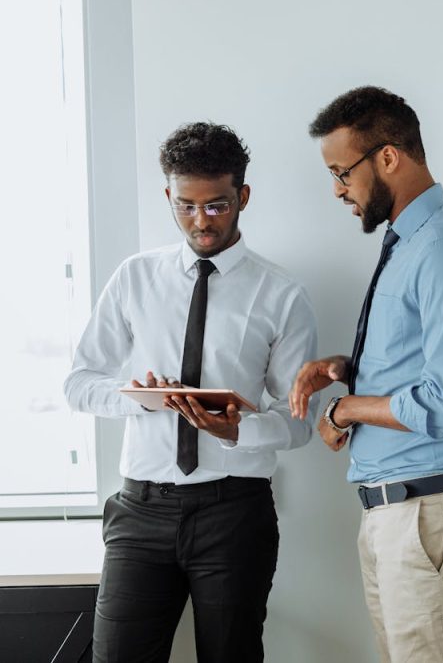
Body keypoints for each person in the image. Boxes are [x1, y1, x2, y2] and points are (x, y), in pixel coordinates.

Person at [64, 122, 318, 662]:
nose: (200, 222)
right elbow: (79, 383)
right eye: (186, 206)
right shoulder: (135, 277)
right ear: (168, 197)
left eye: (217, 206)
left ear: (242, 197)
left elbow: (299, 422)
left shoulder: (282, 294)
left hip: (234, 512)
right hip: (140, 509)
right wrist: (132, 395)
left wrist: (238, 429)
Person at [289, 86, 443, 662]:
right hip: (400, 513)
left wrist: (345, 409)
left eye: (341, 172)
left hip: (426, 515)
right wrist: (347, 370)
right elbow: (418, 362)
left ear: (388, 157)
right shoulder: (409, 242)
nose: (337, 189)